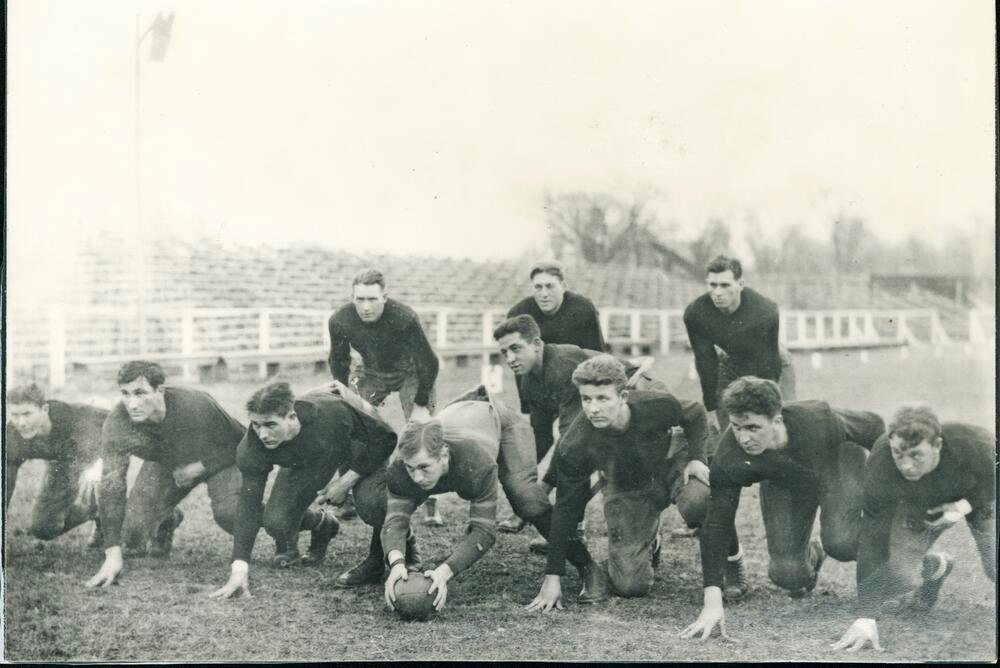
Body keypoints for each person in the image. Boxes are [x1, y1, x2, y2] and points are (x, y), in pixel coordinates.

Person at [527, 355, 740, 611]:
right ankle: (650, 542)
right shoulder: (575, 444)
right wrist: (553, 576)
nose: (593, 408)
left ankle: (732, 560)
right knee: (629, 584)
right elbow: (565, 509)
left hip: (672, 463)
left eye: (603, 398)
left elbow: (694, 412)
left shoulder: (655, 403)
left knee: (699, 500)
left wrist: (696, 459)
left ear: (624, 397)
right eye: (586, 399)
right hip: (629, 484)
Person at [680, 377, 885, 642]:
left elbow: (874, 426)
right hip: (788, 481)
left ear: (777, 420)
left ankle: (904, 557)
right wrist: (712, 603)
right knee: (787, 574)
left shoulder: (816, 418)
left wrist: (885, 487)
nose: (744, 437)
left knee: (841, 540)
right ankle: (814, 555)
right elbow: (718, 523)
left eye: (753, 427)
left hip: (837, 464)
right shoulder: (730, 455)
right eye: (737, 426)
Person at [383, 386, 598, 613]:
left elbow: (484, 531)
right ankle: (395, 556)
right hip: (460, 414)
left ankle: (588, 566)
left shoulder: (474, 462)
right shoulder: (402, 466)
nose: (416, 477)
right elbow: (394, 521)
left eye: (424, 467)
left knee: (527, 499)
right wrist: (396, 563)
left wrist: (443, 573)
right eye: (410, 468)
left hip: (501, 421)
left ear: (444, 455)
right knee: (379, 504)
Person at [210, 381, 416, 598]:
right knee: (277, 522)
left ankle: (380, 558)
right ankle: (324, 524)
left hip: (358, 440)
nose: (262, 434)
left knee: (372, 503)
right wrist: (239, 569)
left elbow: (385, 438)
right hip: (310, 456)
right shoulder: (252, 448)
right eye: (256, 425)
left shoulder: (331, 412)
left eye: (270, 425)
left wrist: (346, 481)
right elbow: (249, 506)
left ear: (292, 416)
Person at [832, 405, 995, 653]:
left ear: (937, 445)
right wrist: (866, 617)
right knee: (899, 576)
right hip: (922, 505)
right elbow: (873, 537)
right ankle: (937, 567)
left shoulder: (974, 442)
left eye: (916, 455)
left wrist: (962, 506)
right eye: (899, 454)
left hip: (980, 496)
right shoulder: (880, 465)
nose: (906, 465)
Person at [492, 314, 654, 546]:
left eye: (516, 348)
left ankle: (573, 530)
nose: (510, 358)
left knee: (576, 452)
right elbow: (542, 436)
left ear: (537, 344)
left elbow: (571, 440)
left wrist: (540, 491)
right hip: (606, 406)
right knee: (574, 451)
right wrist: (520, 478)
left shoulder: (562, 366)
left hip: (637, 390)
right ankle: (571, 528)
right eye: (504, 352)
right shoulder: (528, 380)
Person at [86, 361, 244, 588]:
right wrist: (112, 554)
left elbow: (244, 442)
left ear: (160, 390)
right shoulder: (118, 423)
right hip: (169, 465)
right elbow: (112, 485)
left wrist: (202, 466)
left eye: (140, 393)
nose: (132, 403)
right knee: (130, 536)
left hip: (220, 459)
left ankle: (294, 527)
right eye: (125, 394)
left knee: (230, 515)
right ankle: (167, 520)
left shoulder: (195, 403)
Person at [327, 267, 443, 526]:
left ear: (384, 297)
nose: (366, 307)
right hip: (371, 370)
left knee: (422, 432)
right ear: (352, 297)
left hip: (411, 370)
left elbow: (429, 362)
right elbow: (338, 359)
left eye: (372, 299)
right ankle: (346, 497)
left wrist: (422, 403)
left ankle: (431, 502)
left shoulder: (403, 317)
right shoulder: (340, 320)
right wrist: (344, 393)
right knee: (347, 421)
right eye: (360, 299)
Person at [683, 255, 796, 433]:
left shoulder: (765, 311)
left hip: (771, 361)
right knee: (727, 427)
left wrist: (765, 406)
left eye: (725, 285)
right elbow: (705, 360)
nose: (718, 292)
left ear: (740, 284)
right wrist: (711, 407)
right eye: (713, 285)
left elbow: (769, 364)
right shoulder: (696, 312)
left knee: (779, 424)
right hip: (730, 361)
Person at [4, 383, 108, 547]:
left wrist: (98, 470)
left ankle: (109, 510)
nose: (21, 422)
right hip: (64, 461)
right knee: (43, 528)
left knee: (134, 529)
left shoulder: (77, 420)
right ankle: (94, 508)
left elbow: (115, 434)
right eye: (15, 415)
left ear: (44, 409)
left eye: (27, 414)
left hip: (99, 451)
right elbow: (5, 483)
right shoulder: (13, 435)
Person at [507, 260, 605, 353]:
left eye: (550, 286)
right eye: (538, 287)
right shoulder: (519, 314)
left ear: (563, 287)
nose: (544, 293)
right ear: (531, 288)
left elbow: (597, 356)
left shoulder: (583, 309)